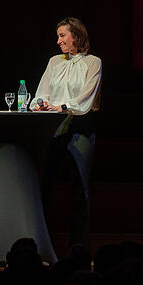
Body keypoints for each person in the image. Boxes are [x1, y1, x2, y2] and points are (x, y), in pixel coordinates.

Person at [33, 17, 102, 248]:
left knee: (79, 190)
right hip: (54, 128)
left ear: (76, 36)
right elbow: (42, 92)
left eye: (63, 35)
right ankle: (43, 246)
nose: (58, 40)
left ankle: (79, 248)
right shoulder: (54, 61)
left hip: (80, 128)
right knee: (46, 185)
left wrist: (62, 106)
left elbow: (85, 97)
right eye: (58, 36)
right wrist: (42, 103)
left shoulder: (93, 62)